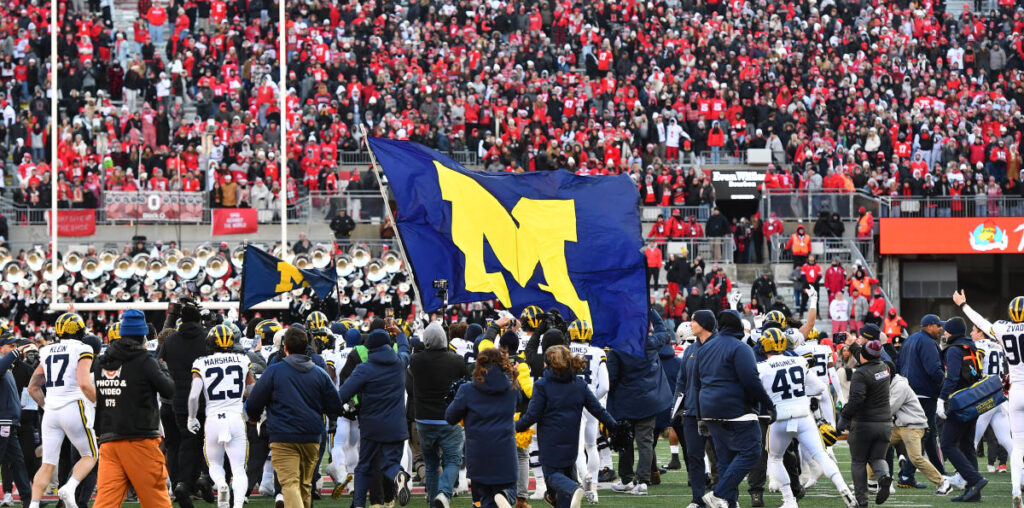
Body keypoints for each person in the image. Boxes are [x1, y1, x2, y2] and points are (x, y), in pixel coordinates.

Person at [756, 328, 856, 508]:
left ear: (765, 345)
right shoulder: (799, 361)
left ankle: (789, 500)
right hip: (803, 415)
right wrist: (800, 394)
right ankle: (845, 490)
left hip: (780, 417)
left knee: (775, 458)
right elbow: (819, 388)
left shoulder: (761, 368)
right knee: (822, 455)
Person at [246, 326, 343, 508]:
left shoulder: (274, 371)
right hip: (311, 435)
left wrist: (254, 417)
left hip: (283, 435)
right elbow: (336, 404)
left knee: (290, 484)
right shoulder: (319, 373)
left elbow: (254, 401)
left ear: (285, 348)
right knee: (305, 484)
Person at [515, 345, 619, 508]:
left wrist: (512, 427)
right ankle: (571, 488)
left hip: (549, 443)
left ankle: (575, 487)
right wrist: (616, 427)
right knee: (564, 498)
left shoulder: (542, 385)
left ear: (548, 364)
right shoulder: (579, 384)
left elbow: (531, 416)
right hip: (571, 442)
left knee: (553, 477)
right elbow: (598, 410)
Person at [92, 309, 176, 508]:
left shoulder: (101, 362)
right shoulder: (143, 360)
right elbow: (169, 390)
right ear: (142, 336)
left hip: (108, 441)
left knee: (106, 502)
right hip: (139, 440)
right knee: (156, 500)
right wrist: (163, 368)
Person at [694, 309, 774, 508]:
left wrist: (700, 415)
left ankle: (730, 502)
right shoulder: (741, 348)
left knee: (725, 460)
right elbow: (750, 380)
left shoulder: (705, 348)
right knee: (752, 451)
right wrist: (768, 404)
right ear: (739, 326)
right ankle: (718, 495)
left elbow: (696, 383)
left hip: (709, 410)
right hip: (736, 410)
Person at [954, 291, 1024, 505]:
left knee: (1017, 447)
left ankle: (1015, 491)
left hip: (1014, 392)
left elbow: (980, 322)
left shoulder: (1002, 328)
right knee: (1011, 443)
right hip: (1010, 389)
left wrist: (964, 305)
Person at [337, 323, 414, 508]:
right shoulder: (399, 363)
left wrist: (326, 406)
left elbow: (343, 394)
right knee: (390, 464)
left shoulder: (365, 368)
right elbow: (405, 349)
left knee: (364, 467)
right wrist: (401, 333)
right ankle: (398, 474)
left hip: (372, 426)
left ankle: (358, 504)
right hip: (396, 426)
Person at [28, 312, 98, 508]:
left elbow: (33, 387)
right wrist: (98, 403)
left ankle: (33, 504)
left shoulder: (46, 350)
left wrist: (47, 406)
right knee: (90, 455)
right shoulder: (83, 348)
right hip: (74, 406)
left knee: (47, 464)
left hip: (51, 411)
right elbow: (84, 383)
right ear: (80, 329)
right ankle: (70, 487)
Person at [187, 325, 255, 508]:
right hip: (235, 418)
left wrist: (191, 417)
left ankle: (221, 484)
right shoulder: (242, 359)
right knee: (239, 469)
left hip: (214, 419)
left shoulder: (201, 362)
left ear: (210, 342)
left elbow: (194, 395)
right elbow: (252, 390)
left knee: (215, 465)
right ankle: (238, 504)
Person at [607, 308, 672, 495]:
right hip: (648, 401)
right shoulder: (649, 343)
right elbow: (664, 332)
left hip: (625, 402)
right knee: (645, 442)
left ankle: (627, 479)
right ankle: (643, 482)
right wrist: (650, 311)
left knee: (625, 441)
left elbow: (612, 378)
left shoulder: (617, 348)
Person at [446, 347, 519, 508]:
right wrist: (513, 374)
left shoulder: (467, 390)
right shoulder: (512, 388)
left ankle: (502, 496)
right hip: (505, 450)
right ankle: (504, 495)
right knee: (510, 491)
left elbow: (450, 417)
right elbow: (520, 401)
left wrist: (455, 399)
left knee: (485, 499)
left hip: (478, 454)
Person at [158, 298, 214, 507]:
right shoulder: (207, 338)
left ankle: (180, 483)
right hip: (204, 399)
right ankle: (192, 482)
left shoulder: (170, 340)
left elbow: (160, 362)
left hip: (176, 400)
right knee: (198, 444)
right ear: (200, 319)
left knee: (176, 445)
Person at [409, 322, 468, 508]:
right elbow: (465, 384)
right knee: (452, 460)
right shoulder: (457, 360)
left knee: (431, 463)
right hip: (449, 419)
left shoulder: (416, 361)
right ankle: (443, 493)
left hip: (424, 419)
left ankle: (433, 501)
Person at [937, 317, 988, 502]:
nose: (944, 332)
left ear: (953, 332)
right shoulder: (971, 346)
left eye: (947, 330)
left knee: (948, 444)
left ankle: (976, 480)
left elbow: (951, 378)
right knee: (967, 446)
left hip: (959, 403)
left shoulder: (954, 349)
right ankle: (974, 492)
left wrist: (941, 399)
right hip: (973, 401)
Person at [837, 340, 892, 507]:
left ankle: (862, 500)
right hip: (885, 423)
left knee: (859, 461)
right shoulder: (884, 368)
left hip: (864, 424)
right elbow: (867, 354)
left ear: (863, 356)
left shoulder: (861, 373)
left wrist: (844, 417)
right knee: (877, 458)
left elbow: (856, 400)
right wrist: (851, 343)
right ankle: (883, 477)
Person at [886, 359, 952, 496]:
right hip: (900, 425)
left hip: (913, 426)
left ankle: (943, 483)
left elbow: (889, 409)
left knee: (916, 458)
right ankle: (871, 481)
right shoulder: (890, 383)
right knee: (877, 446)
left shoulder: (899, 386)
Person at [894, 314, 947, 486]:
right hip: (923, 395)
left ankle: (940, 471)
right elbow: (934, 369)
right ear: (930, 326)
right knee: (923, 434)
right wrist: (945, 387)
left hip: (908, 394)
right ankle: (907, 475)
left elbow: (898, 365)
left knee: (929, 434)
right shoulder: (927, 342)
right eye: (938, 326)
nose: (941, 329)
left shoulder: (910, 340)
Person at [675, 311, 718, 508]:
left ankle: (725, 496)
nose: (690, 323)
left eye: (694, 320)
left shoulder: (720, 346)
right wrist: (676, 407)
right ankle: (697, 499)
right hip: (692, 412)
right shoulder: (690, 350)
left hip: (716, 412)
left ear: (705, 324)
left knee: (721, 457)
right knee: (694, 456)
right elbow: (681, 382)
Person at [566, 319, 608, 502]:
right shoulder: (598, 352)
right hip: (591, 403)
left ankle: (584, 481)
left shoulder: (565, 352)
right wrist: (592, 401)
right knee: (591, 445)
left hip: (570, 403)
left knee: (576, 447)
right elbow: (605, 386)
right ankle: (594, 486)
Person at [0, 335, 34, 508]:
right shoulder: (3, 364)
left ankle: (28, 499)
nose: (15, 348)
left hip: (9, 422)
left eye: (15, 345)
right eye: (10, 346)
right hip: (2, 421)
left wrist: (15, 404)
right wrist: (16, 351)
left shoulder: (9, 368)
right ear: (1, 348)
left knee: (18, 461)